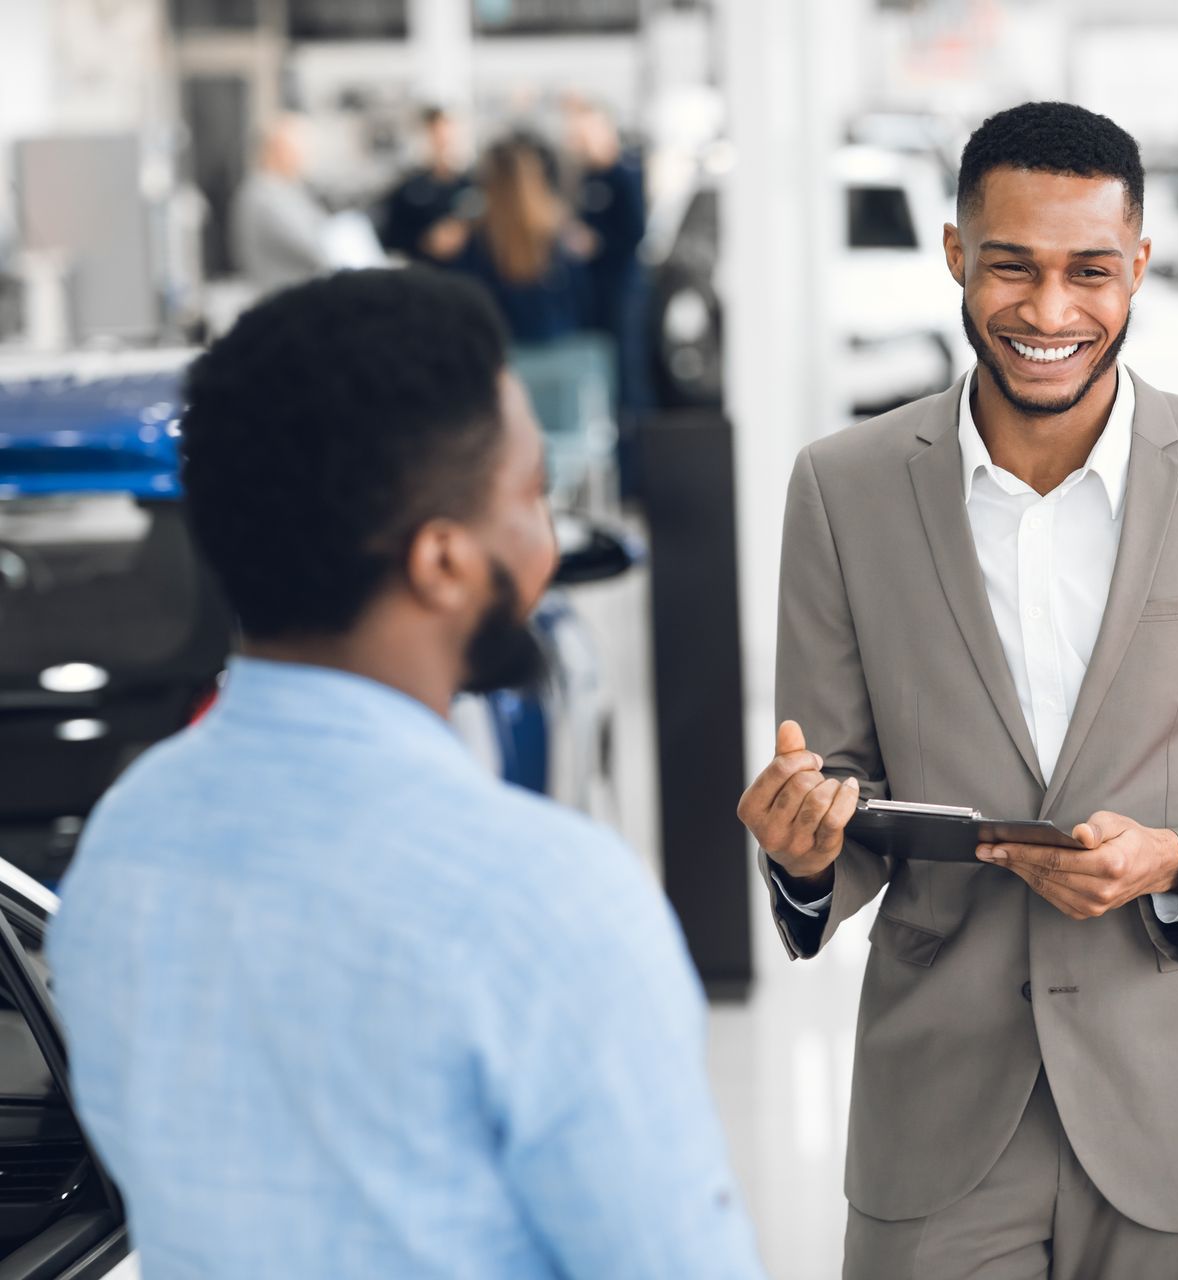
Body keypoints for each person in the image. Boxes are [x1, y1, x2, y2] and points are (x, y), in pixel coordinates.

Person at [736, 102, 1178, 1278]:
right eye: (1012, 269)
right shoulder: (844, 490)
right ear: (954, 258)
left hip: (1175, 1115)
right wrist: (806, 852)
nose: (1049, 312)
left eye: (1091, 270)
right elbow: (838, 788)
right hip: (937, 1121)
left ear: (1139, 265)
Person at [47, 269, 764, 1280]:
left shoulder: (120, 850)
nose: (549, 543)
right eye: (530, 497)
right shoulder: (551, 903)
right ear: (442, 560)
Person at [429, 137, 593, 346]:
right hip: (559, 345)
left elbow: (463, 300)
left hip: (502, 350)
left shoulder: (474, 239)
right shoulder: (560, 233)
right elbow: (582, 299)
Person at [564, 97, 656, 417]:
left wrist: (598, 242)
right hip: (593, 289)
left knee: (629, 375)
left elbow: (636, 230)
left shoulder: (625, 173)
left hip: (623, 288)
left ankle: (637, 454)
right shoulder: (585, 178)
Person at [230, 115, 331, 293]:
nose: (305, 158)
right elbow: (316, 248)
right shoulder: (263, 195)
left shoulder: (288, 189)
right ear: (278, 151)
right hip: (282, 301)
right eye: (299, 150)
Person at [377, 106, 475, 262]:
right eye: (435, 135)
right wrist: (426, 241)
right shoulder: (406, 190)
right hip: (425, 271)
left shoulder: (472, 185)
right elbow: (390, 237)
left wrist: (463, 233)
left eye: (446, 136)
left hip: (467, 272)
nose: (442, 143)